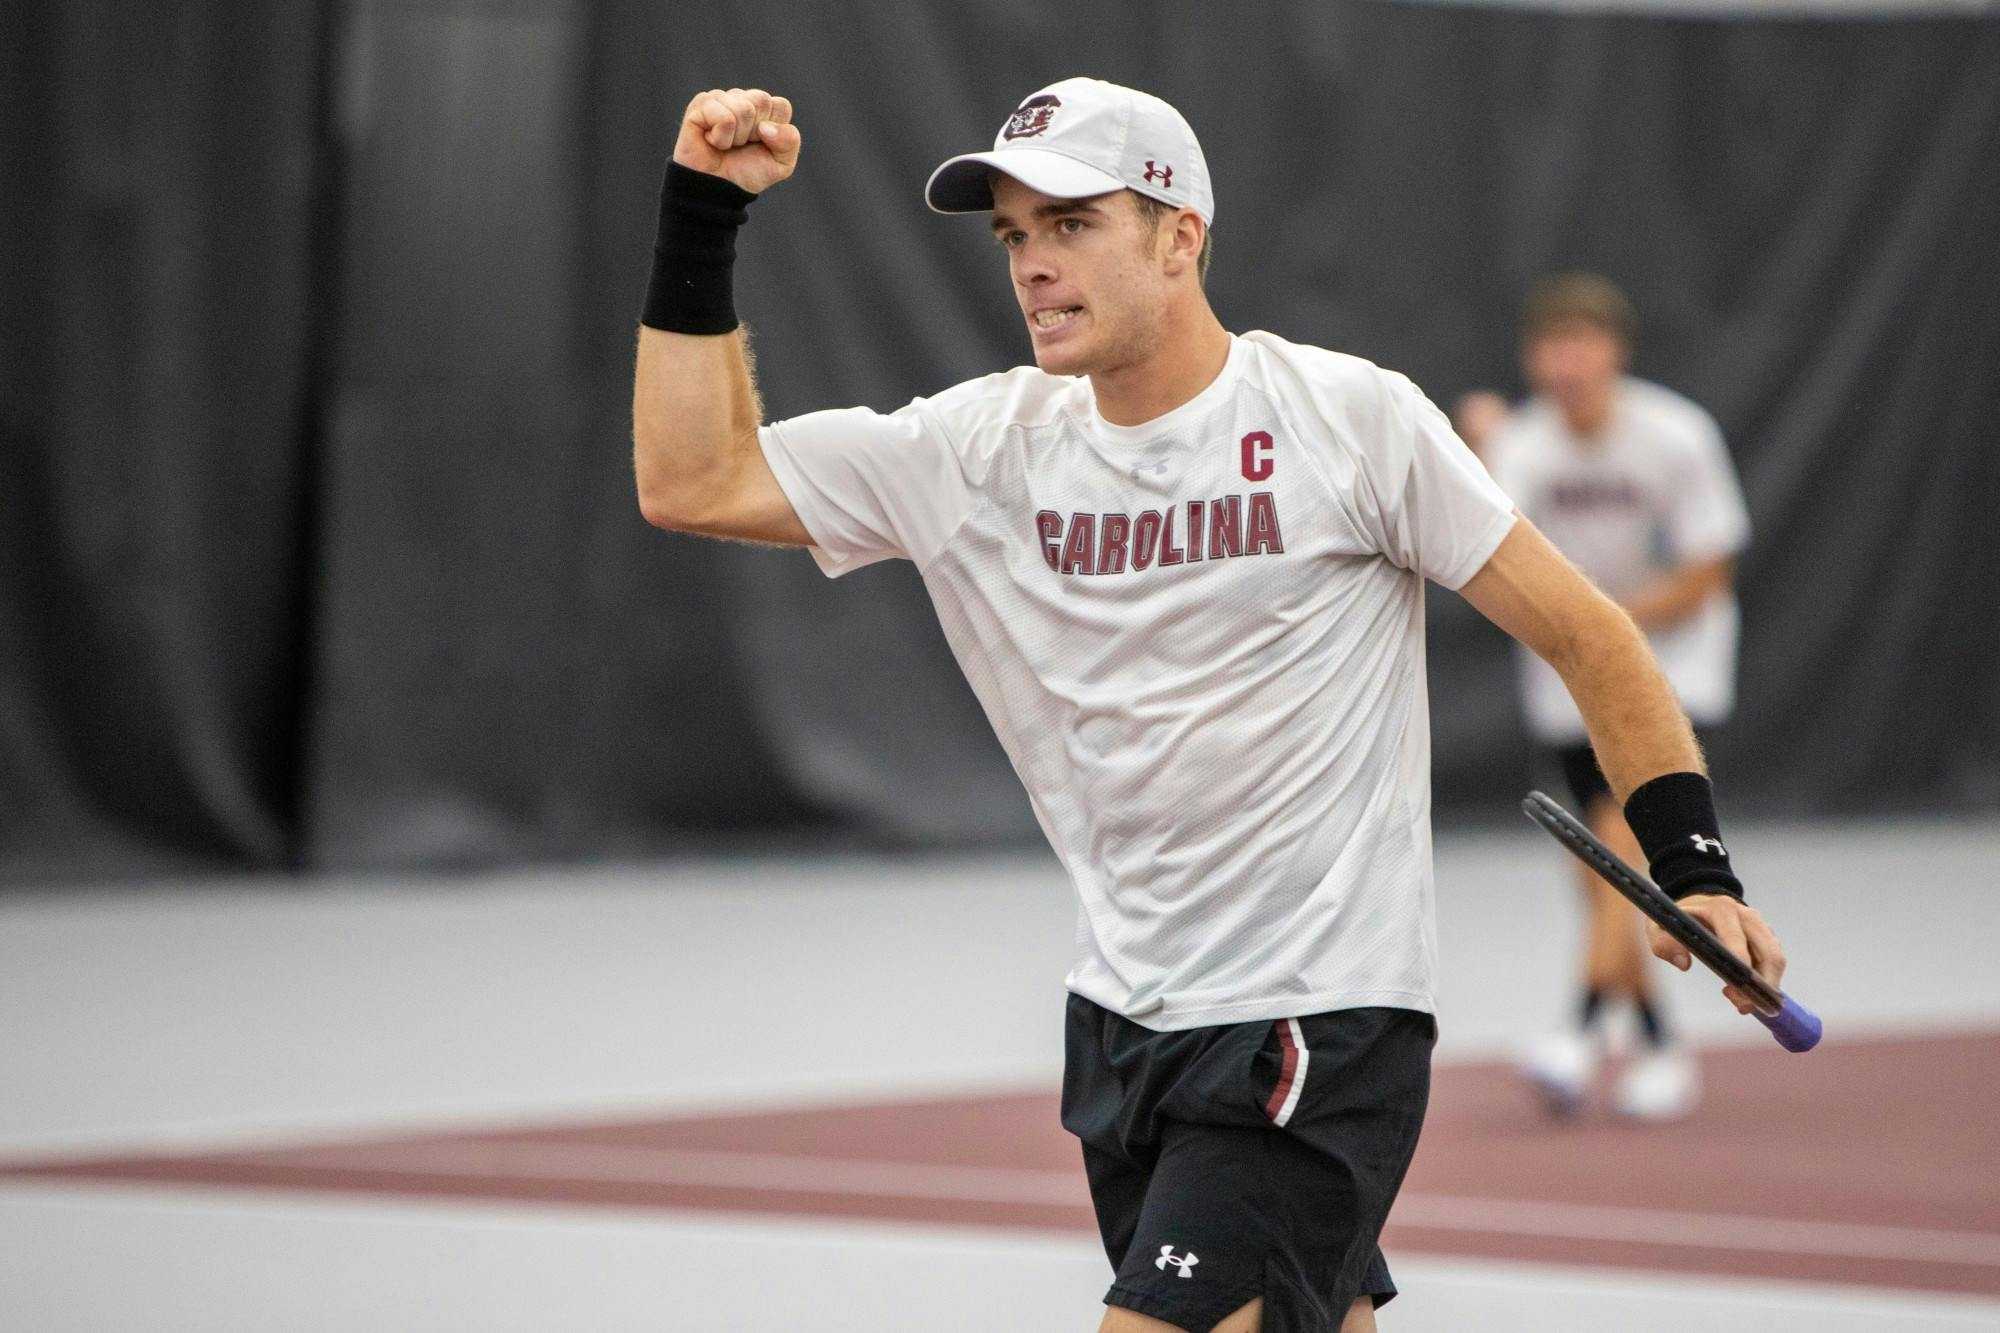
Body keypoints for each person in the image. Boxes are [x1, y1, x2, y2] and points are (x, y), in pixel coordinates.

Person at [633, 79, 1788, 1333]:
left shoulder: (1345, 422)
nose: (1030, 264)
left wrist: (1692, 860)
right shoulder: (974, 451)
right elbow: (695, 478)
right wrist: (704, 211)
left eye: (1071, 224)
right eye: (1013, 234)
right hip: (1122, 1016)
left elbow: (1586, 631)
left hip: (1313, 1015)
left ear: (1179, 235)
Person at [1458, 274, 1753, 1121]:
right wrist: (1479, 456)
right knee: (1604, 884)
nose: (1568, 363)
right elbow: (1484, 539)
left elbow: (1706, 572)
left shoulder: (1678, 437)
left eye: (1583, 344)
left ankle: (1581, 1029)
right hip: (1564, 683)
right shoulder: (1522, 444)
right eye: (1552, 347)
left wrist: (1604, 629)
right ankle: (1661, 1043)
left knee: (1626, 849)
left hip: (1674, 675)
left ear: (1615, 354)